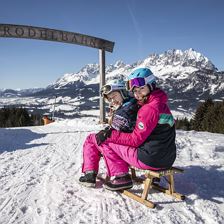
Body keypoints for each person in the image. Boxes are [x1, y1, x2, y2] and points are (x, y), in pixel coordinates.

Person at [80, 68, 176, 191]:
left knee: (105, 140)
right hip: (167, 158)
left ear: (151, 86)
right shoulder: (159, 104)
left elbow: (135, 140)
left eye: (142, 88)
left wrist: (110, 135)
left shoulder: (149, 109)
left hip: (150, 159)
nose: (137, 94)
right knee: (105, 137)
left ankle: (121, 177)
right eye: (135, 90)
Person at [79, 79, 139, 187]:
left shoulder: (126, 109)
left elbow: (115, 132)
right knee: (100, 138)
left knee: (95, 140)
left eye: (114, 96)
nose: (112, 101)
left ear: (123, 92)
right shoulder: (131, 104)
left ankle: (117, 175)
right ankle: (92, 173)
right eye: (110, 99)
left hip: (128, 147)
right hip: (132, 144)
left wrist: (106, 132)